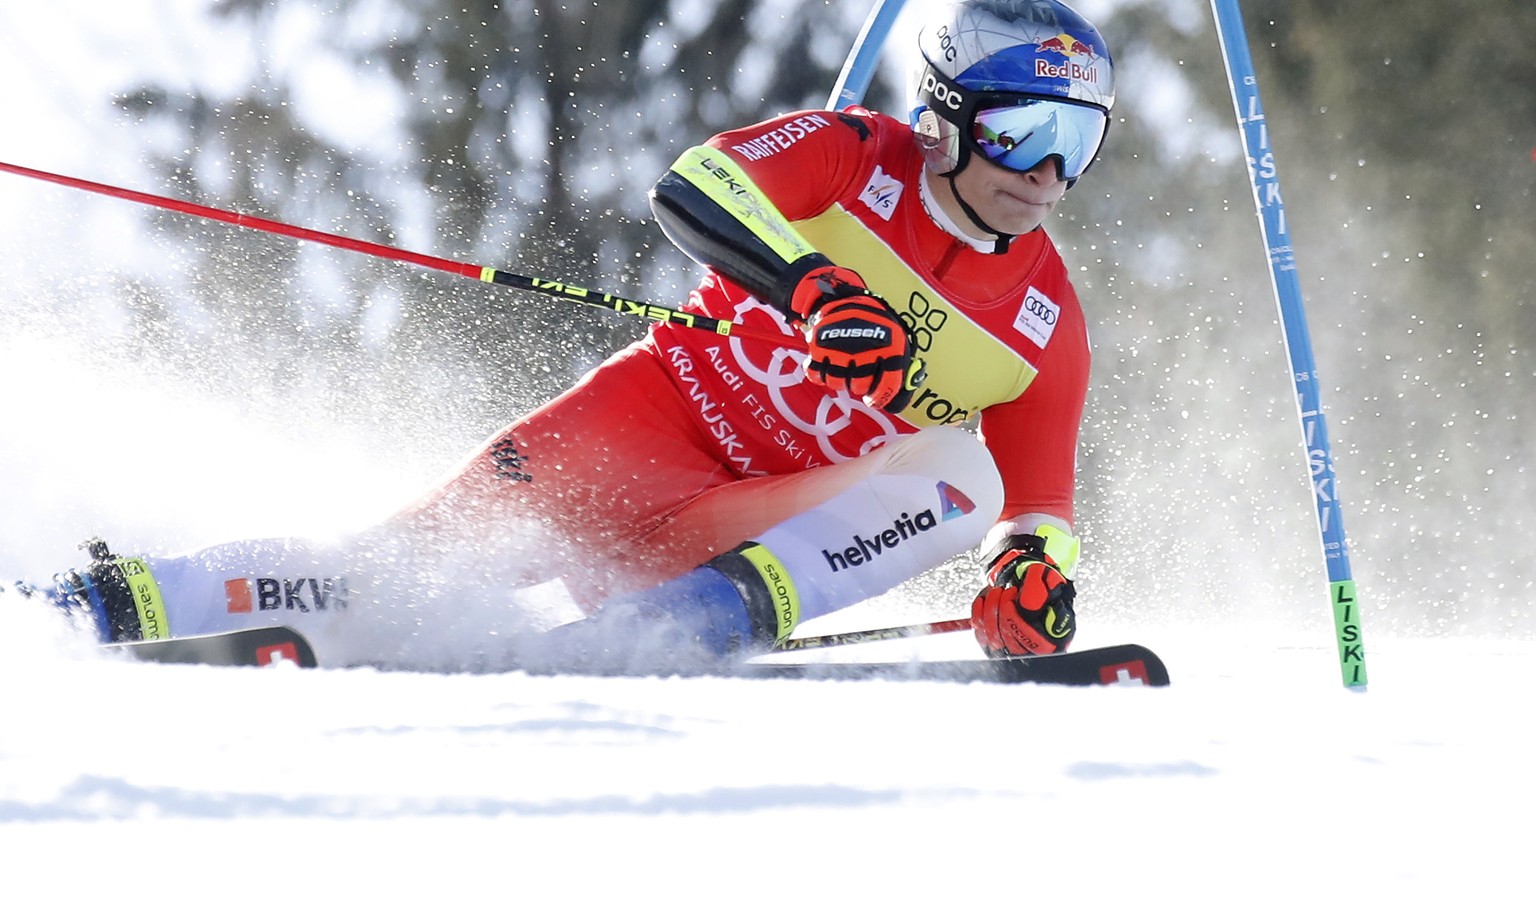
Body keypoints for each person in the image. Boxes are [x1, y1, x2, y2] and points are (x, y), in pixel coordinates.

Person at [43, 0, 1116, 673]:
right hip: (649, 423)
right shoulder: (853, 155)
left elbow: (1039, 509)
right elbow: (695, 184)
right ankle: (91, 605)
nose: (1045, 173)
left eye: (1079, 142)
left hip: (758, 528)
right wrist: (808, 287)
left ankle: (699, 621)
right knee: (400, 568)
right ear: (942, 114)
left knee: (964, 477)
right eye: (1022, 129)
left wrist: (1029, 577)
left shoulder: (1043, 322)